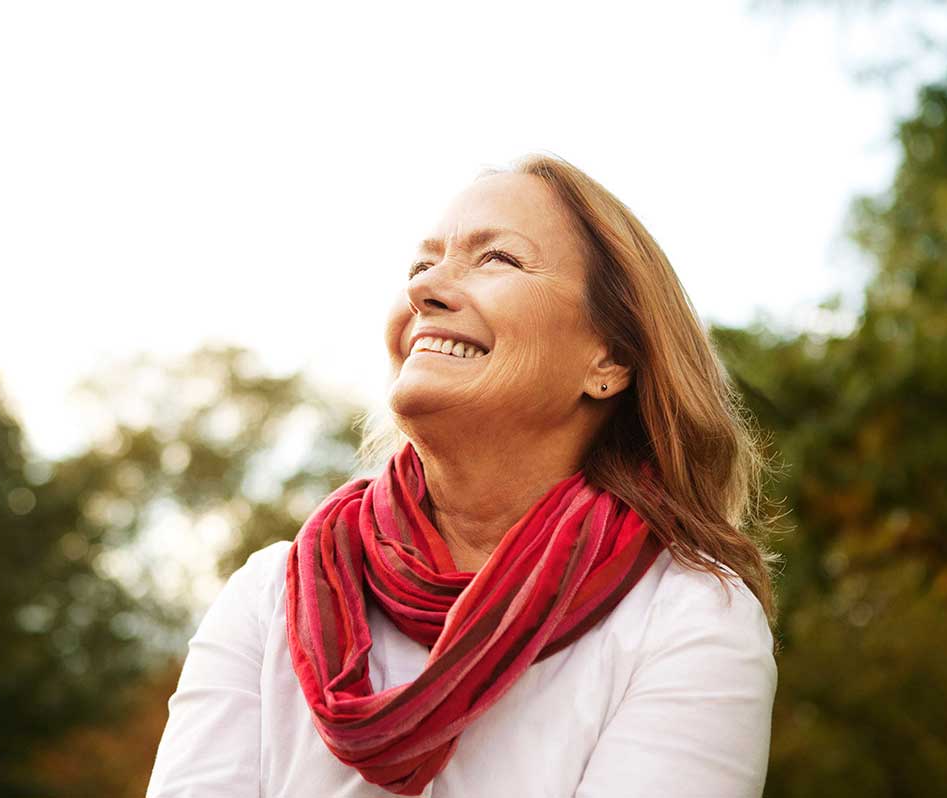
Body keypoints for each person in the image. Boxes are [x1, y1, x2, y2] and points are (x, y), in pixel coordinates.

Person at [146, 153, 781, 797]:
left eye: (496, 259)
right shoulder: (267, 598)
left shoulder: (691, 616)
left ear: (610, 359)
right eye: (421, 266)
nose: (426, 289)